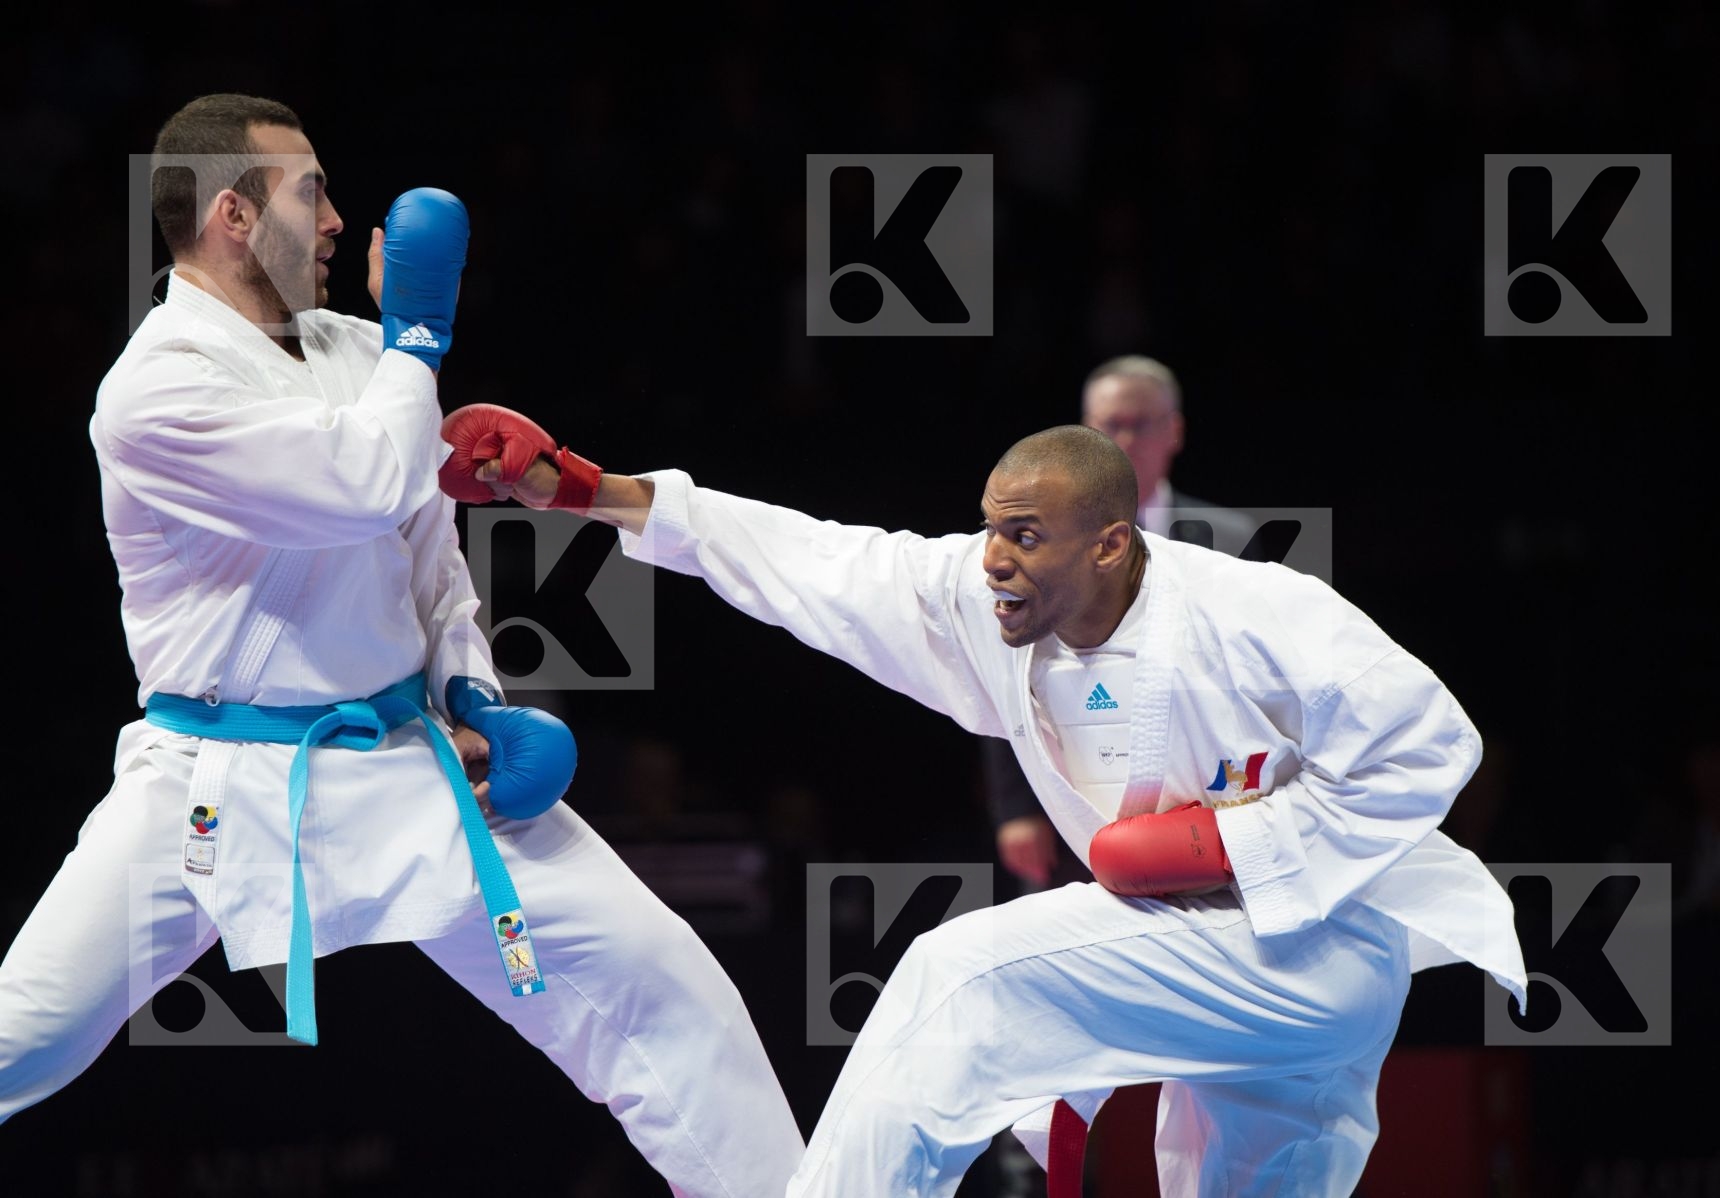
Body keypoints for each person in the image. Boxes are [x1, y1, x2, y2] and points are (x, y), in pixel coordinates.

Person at [0, 95, 802, 1198]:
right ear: (234, 213)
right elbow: (361, 483)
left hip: (404, 758)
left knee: (665, 983)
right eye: (311, 193)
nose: (338, 223)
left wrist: (472, 691)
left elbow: (429, 548)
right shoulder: (153, 392)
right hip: (215, 783)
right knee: (25, 1031)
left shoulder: (361, 354)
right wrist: (422, 337)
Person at [439, 406, 1530, 1197]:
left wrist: (1236, 841)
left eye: (1024, 536)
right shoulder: (983, 598)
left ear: (1111, 541)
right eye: (990, 528)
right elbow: (813, 561)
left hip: (1317, 945)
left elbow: (1436, 743)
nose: (994, 561)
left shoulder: (1251, 611)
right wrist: (585, 490)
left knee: (957, 977)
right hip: (1226, 973)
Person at [990, 356, 1260, 897]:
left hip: (1204, 802)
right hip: (1072, 791)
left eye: (1142, 423)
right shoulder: (1038, 541)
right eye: (1111, 425)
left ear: (1175, 431)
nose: (1127, 439)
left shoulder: (1232, 539)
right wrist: (1015, 809)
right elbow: (1007, 665)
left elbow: (1257, 679)